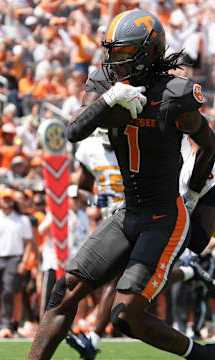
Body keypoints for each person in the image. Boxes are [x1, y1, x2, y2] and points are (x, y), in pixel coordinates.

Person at [27, 9, 215, 360]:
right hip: (128, 212)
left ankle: (203, 356)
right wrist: (110, 99)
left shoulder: (173, 95)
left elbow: (208, 144)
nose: (115, 61)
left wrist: (192, 193)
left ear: (148, 52)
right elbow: (73, 131)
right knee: (64, 290)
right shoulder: (105, 84)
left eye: (125, 53)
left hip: (163, 216)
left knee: (125, 316)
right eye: (112, 52)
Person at [0, 187, 32, 338]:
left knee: (9, 291)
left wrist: (24, 261)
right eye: (4, 198)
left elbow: (28, 242)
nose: (6, 201)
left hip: (13, 258)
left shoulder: (21, 219)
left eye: (9, 199)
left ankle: (7, 324)